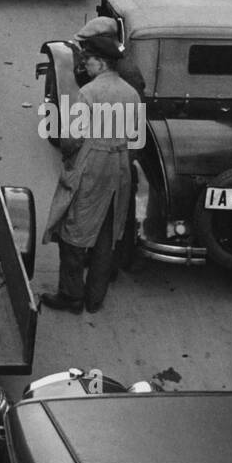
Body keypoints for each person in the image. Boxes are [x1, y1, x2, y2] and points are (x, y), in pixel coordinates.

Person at [41, 34, 137, 314]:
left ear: (102, 63)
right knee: (106, 233)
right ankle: (95, 298)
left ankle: (71, 296)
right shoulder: (130, 93)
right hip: (119, 167)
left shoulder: (90, 93)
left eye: (89, 61)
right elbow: (135, 138)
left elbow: (72, 139)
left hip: (92, 166)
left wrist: (69, 157)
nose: (86, 66)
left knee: (73, 232)